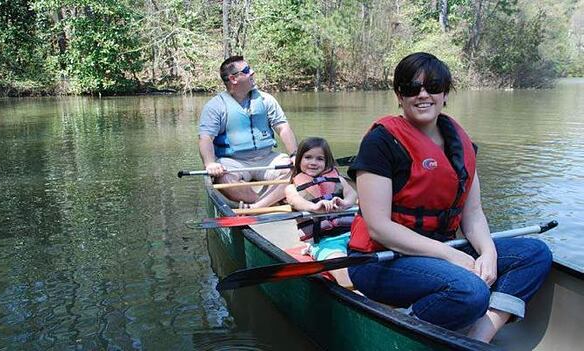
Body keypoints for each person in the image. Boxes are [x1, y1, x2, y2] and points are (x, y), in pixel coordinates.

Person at [346, 52, 552, 343]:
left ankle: (479, 337)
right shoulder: (380, 142)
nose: (423, 95)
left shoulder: (461, 143)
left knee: (534, 253)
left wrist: (488, 253)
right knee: (470, 291)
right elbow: (379, 227)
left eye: (433, 86)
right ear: (399, 96)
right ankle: (404, 331)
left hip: (443, 249)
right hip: (380, 260)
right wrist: (449, 254)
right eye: (411, 88)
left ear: (445, 93)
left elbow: (473, 214)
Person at [198, 55, 298, 208]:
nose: (252, 72)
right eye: (246, 70)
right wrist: (210, 163)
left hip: (266, 158)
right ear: (233, 79)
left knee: (297, 170)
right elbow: (206, 138)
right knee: (223, 180)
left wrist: (295, 155)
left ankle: (260, 204)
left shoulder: (266, 100)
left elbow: (283, 127)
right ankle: (266, 200)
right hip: (233, 161)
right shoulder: (215, 106)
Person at [285, 137, 357, 288]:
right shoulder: (291, 188)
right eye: (308, 157)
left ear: (326, 162)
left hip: (353, 235)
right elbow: (295, 201)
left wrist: (345, 203)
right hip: (324, 242)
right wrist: (314, 207)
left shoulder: (338, 180)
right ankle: (357, 299)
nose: (313, 162)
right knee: (344, 272)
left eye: (320, 158)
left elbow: (352, 195)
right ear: (299, 160)